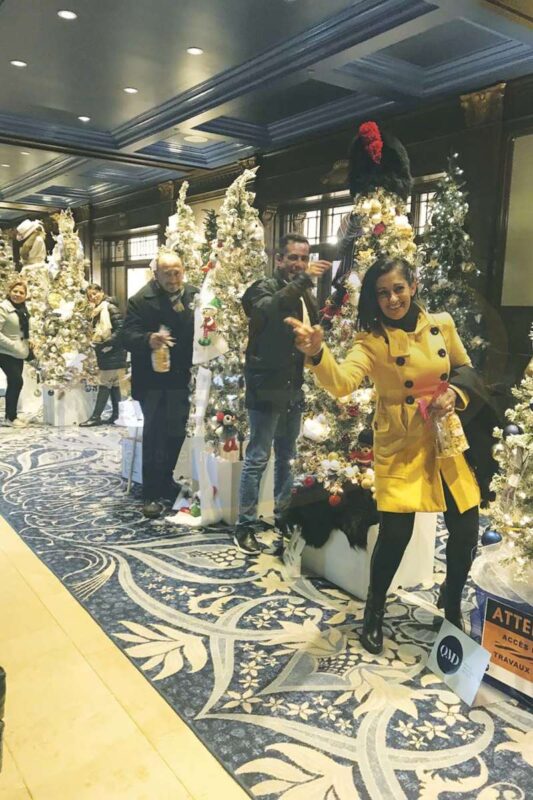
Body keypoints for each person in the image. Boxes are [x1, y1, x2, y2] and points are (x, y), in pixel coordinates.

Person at [286, 256, 481, 655]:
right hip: (401, 443)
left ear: (413, 285)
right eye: (383, 293)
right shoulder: (371, 342)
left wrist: (453, 394)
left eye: (398, 288)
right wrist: (319, 353)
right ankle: (373, 611)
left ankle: (452, 598)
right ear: (374, 299)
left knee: (465, 528)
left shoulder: (441, 323)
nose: (393, 298)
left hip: (445, 439)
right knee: (395, 535)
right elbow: (341, 384)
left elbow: (464, 368)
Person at [234, 233, 331, 555]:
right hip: (265, 386)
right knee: (258, 457)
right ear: (279, 260)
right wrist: (303, 281)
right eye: (293, 258)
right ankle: (245, 525)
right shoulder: (262, 288)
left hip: (293, 385)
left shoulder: (306, 296)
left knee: (287, 458)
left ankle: (282, 517)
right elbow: (268, 311)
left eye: (303, 259)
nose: (299, 264)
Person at [121, 250, 199, 519]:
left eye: (177, 271)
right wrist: (147, 339)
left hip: (181, 378)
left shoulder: (194, 295)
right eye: (167, 273)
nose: (173, 277)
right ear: (157, 274)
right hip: (153, 381)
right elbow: (125, 335)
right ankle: (151, 494)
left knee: (176, 432)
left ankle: (168, 480)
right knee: (155, 436)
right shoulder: (141, 299)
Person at [80, 284, 128, 427]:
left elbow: (120, 329)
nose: (93, 297)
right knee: (113, 384)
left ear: (102, 291)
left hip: (112, 351)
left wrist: (106, 343)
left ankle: (96, 417)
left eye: (95, 293)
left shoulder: (109, 308)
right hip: (108, 351)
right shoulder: (98, 310)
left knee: (104, 383)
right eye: (90, 296)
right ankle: (116, 415)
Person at [0, 280, 31, 428]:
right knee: (17, 381)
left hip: (18, 352)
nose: (18, 294)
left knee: (14, 383)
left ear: (25, 295)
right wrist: (13, 345)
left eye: (21, 292)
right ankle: (10, 417)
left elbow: (23, 329)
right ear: (9, 291)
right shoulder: (3, 308)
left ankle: (11, 416)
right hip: (4, 351)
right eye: (15, 291)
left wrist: (29, 341)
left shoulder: (22, 309)